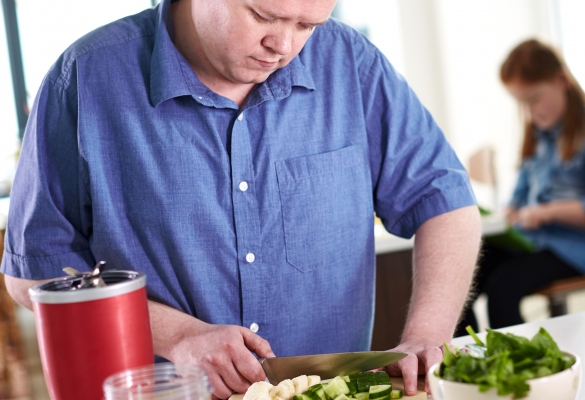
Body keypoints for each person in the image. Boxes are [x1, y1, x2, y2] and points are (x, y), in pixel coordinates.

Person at [1, 0, 481, 397]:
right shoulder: (87, 77)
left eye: (308, 25)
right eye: (263, 16)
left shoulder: (350, 61)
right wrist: (179, 335)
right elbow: (33, 273)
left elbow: (446, 202)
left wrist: (427, 335)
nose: (285, 45)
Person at [456, 39, 585, 336]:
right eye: (521, 103)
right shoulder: (538, 138)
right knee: (460, 277)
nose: (529, 111)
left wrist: (548, 213)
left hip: (577, 248)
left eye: (534, 99)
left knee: (504, 288)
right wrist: (509, 212)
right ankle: (469, 363)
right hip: (533, 241)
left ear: (561, 81)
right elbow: (519, 195)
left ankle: (522, 372)